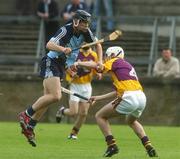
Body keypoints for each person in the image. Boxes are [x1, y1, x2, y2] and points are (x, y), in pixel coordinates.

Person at [18, 10, 103, 147]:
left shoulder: (86, 32)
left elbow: (98, 44)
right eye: (83, 22)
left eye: (87, 23)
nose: (86, 25)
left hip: (61, 65)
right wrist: (63, 49)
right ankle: (26, 114)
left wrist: (100, 62)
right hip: (51, 61)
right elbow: (49, 45)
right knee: (56, 96)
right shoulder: (65, 30)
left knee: (47, 99)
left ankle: (30, 127)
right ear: (76, 21)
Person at [74, 46, 158, 157]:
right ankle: (149, 146)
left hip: (129, 97)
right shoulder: (127, 66)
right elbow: (117, 92)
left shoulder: (115, 61)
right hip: (141, 97)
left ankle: (112, 146)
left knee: (100, 116)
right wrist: (98, 98)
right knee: (131, 121)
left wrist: (79, 63)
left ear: (113, 55)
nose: (105, 58)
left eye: (107, 55)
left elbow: (97, 66)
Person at [56, 46, 101, 139]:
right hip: (75, 85)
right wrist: (72, 73)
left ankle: (74, 133)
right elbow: (67, 65)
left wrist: (98, 73)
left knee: (84, 113)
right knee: (73, 112)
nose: (85, 43)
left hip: (87, 86)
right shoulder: (75, 53)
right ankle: (62, 111)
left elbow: (95, 66)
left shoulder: (94, 54)